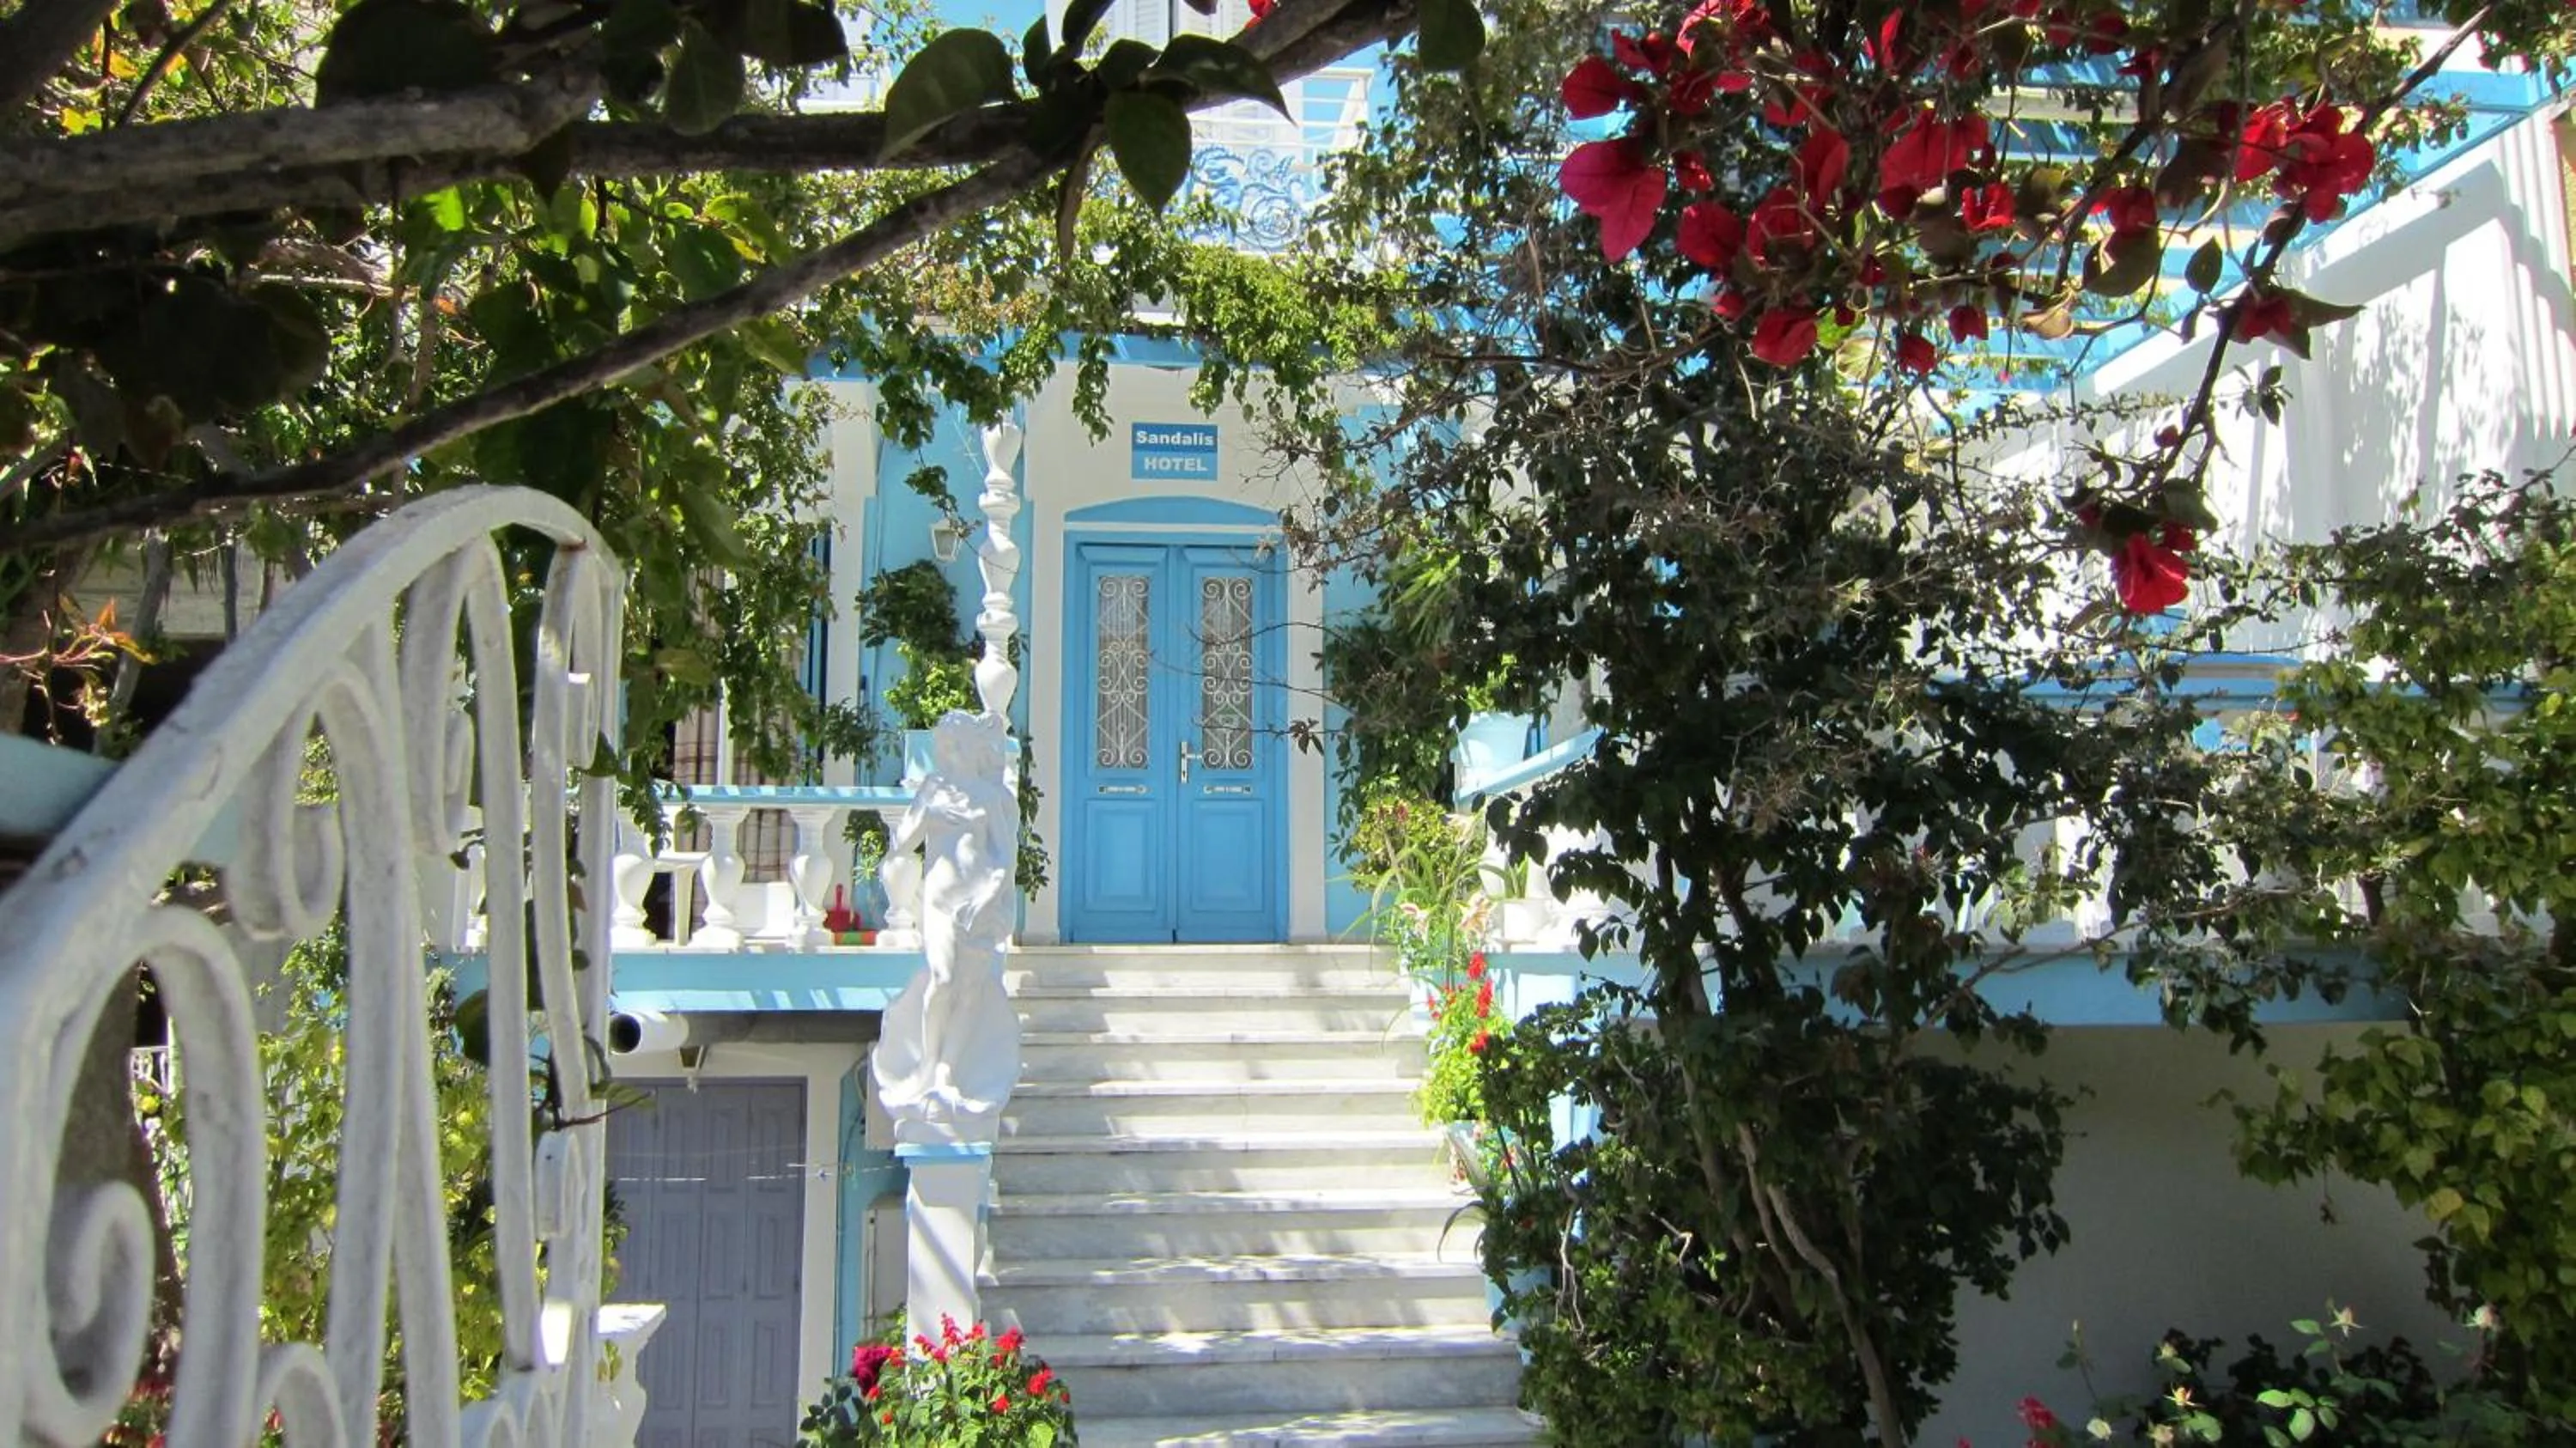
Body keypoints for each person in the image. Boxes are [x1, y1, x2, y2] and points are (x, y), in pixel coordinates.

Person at [870, 709, 1021, 1139]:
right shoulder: (936, 788)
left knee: (969, 989)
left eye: (955, 744)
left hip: (977, 903)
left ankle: (949, 1071)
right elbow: (903, 842)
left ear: (972, 747)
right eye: (944, 746)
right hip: (939, 902)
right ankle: (927, 1063)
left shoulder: (989, 796)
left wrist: (988, 897)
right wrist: (927, 814)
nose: (949, 752)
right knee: (942, 979)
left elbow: (1005, 857)